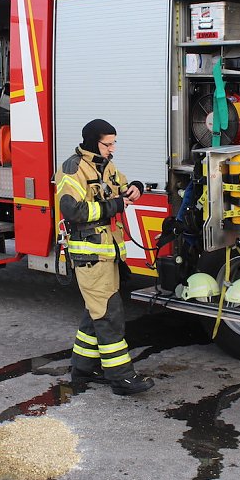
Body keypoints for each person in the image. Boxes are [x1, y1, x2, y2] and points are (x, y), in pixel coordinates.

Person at [55, 119, 155, 396]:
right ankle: (121, 377)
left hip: (106, 254)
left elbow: (121, 187)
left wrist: (135, 187)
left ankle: (83, 368)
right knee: (109, 314)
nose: (112, 149)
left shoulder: (105, 165)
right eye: (107, 143)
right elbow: (72, 211)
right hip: (90, 256)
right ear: (91, 142)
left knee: (95, 310)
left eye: (114, 143)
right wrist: (114, 205)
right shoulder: (73, 168)